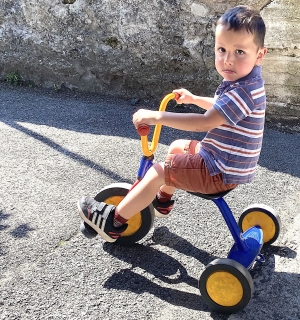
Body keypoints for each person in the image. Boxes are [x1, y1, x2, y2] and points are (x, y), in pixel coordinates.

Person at [77, 5, 268, 243]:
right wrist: (194, 99)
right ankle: (162, 201)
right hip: (228, 163)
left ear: (260, 54)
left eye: (239, 51)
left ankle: (113, 221)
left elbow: (205, 122)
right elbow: (221, 106)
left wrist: (156, 116)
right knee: (178, 147)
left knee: (158, 171)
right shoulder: (248, 82)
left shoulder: (243, 91)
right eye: (222, 49)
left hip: (219, 172)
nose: (228, 60)